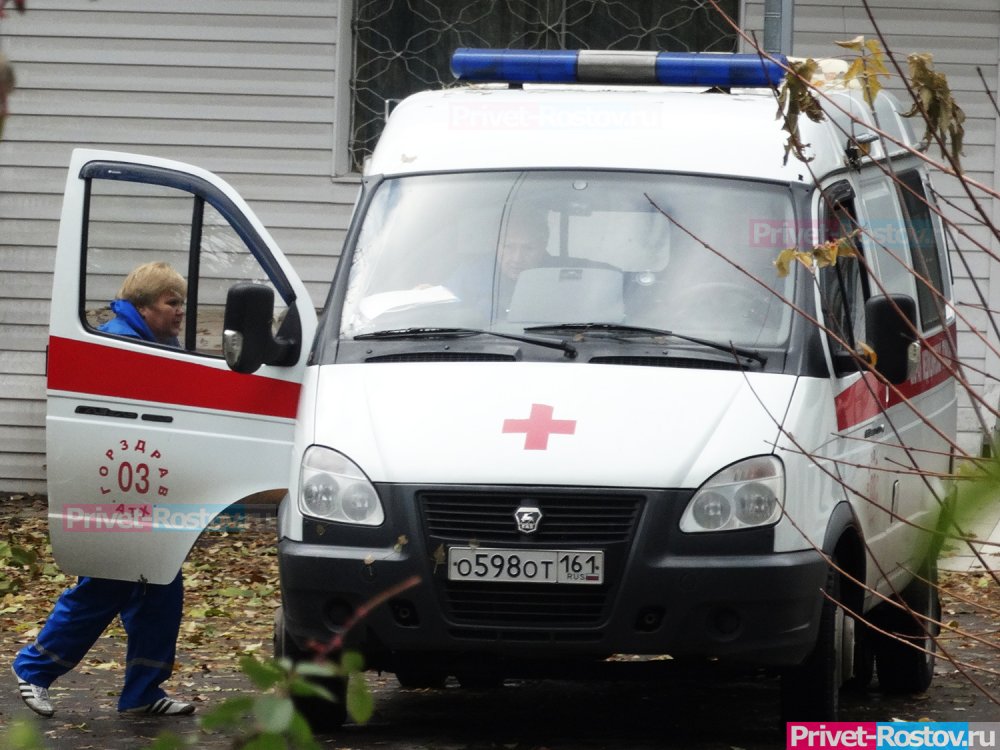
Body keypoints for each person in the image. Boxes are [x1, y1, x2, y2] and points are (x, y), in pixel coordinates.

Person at [12, 262, 195, 718]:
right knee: (108, 583)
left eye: (181, 303)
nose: (180, 313)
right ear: (143, 306)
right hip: (117, 487)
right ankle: (33, 668)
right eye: (172, 303)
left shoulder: (152, 344)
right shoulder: (121, 344)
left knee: (161, 588)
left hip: (142, 484)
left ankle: (143, 693)